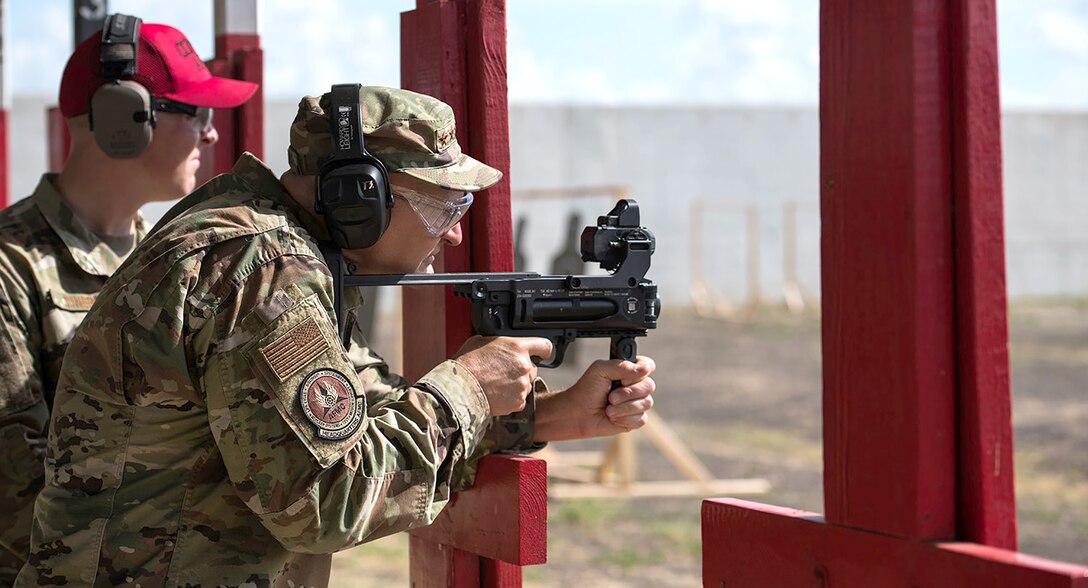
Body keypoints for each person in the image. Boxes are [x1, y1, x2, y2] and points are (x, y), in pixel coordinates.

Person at [18, 86, 656, 586]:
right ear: (361, 197)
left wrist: (546, 416)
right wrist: (466, 387)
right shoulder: (263, 266)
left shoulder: (268, 245)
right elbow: (326, 495)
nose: (455, 233)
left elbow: (361, 408)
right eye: (443, 206)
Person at [0, 19, 257, 583]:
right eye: (198, 114)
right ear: (124, 120)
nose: (212, 136)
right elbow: (20, 501)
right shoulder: (9, 268)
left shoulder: (172, 262)